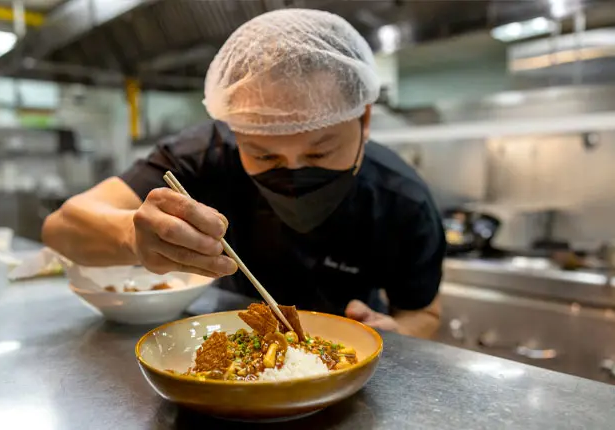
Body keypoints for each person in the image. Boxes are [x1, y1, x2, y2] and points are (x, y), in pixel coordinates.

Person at [43, 9, 445, 339]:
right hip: (231, 344)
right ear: (235, 129)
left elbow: (423, 314)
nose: (292, 170)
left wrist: (395, 331)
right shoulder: (204, 156)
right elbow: (60, 228)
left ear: (365, 118)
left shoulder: (401, 199)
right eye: (264, 154)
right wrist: (132, 235)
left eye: (320, 150)